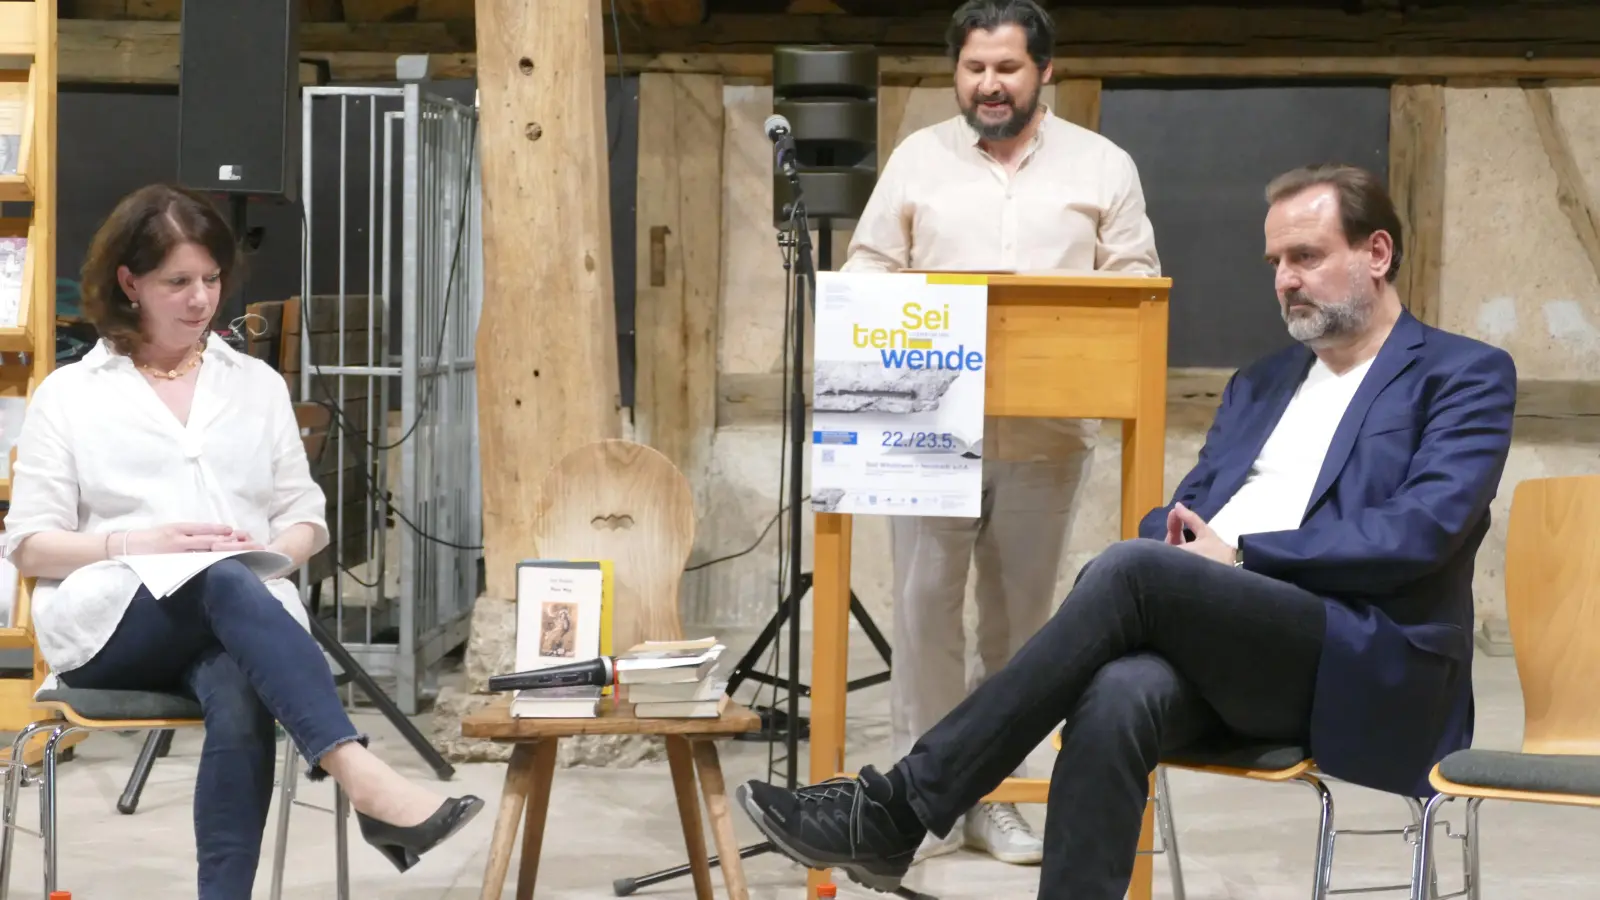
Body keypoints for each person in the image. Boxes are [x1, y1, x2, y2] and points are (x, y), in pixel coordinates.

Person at [736, 163, 1516, 898]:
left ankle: (900, 807)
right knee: (1117, 691)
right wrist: (1189, 549)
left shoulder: (1464, 374)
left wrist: (1237, 555)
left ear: (1376, 252)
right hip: (1233, 645)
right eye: (1276, 261)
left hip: (1361, 654)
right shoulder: (1262, 382)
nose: (1285, 280)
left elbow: (1420, 531)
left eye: (1306, 256)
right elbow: (1178, 510)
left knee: (1133, 572)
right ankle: (911, 817)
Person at [2, 184, 483, 897]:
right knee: (221, 578)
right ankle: (362, 777)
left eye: (212, 280)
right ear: (130, 283)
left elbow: (305, 516)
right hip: (113, 624)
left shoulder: (253, 385)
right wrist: (143, 544)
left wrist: (272, 557)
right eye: (178, 282)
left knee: (237, 675)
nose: (201, 300)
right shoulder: (71, 394)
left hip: (241, 621)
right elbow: (32, 545)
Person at [839, 0, 1161, 865]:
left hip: (1047, 435)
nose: (989, 84)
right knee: (922, 614)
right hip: (926, 432)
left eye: (1008, 68)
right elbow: (868, 272)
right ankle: (923, 799)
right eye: (975, 68)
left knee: (1021, 631)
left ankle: (992, 799)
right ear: (958, 71)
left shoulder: (1103, 164)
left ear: (1044, 71)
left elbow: (1135, 285)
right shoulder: (917, 160)